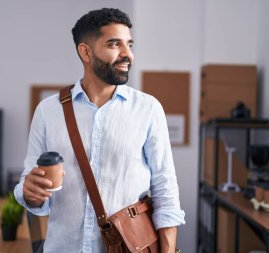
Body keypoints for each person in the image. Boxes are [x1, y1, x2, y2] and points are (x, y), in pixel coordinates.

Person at [15, 8, 185, 253]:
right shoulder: (48, 111)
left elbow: (165, 191)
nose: (128, 54)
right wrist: (31, 192)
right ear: (85, 52)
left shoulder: (148, 109)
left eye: (129, 44)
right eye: (114, 44)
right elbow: (31, 191)